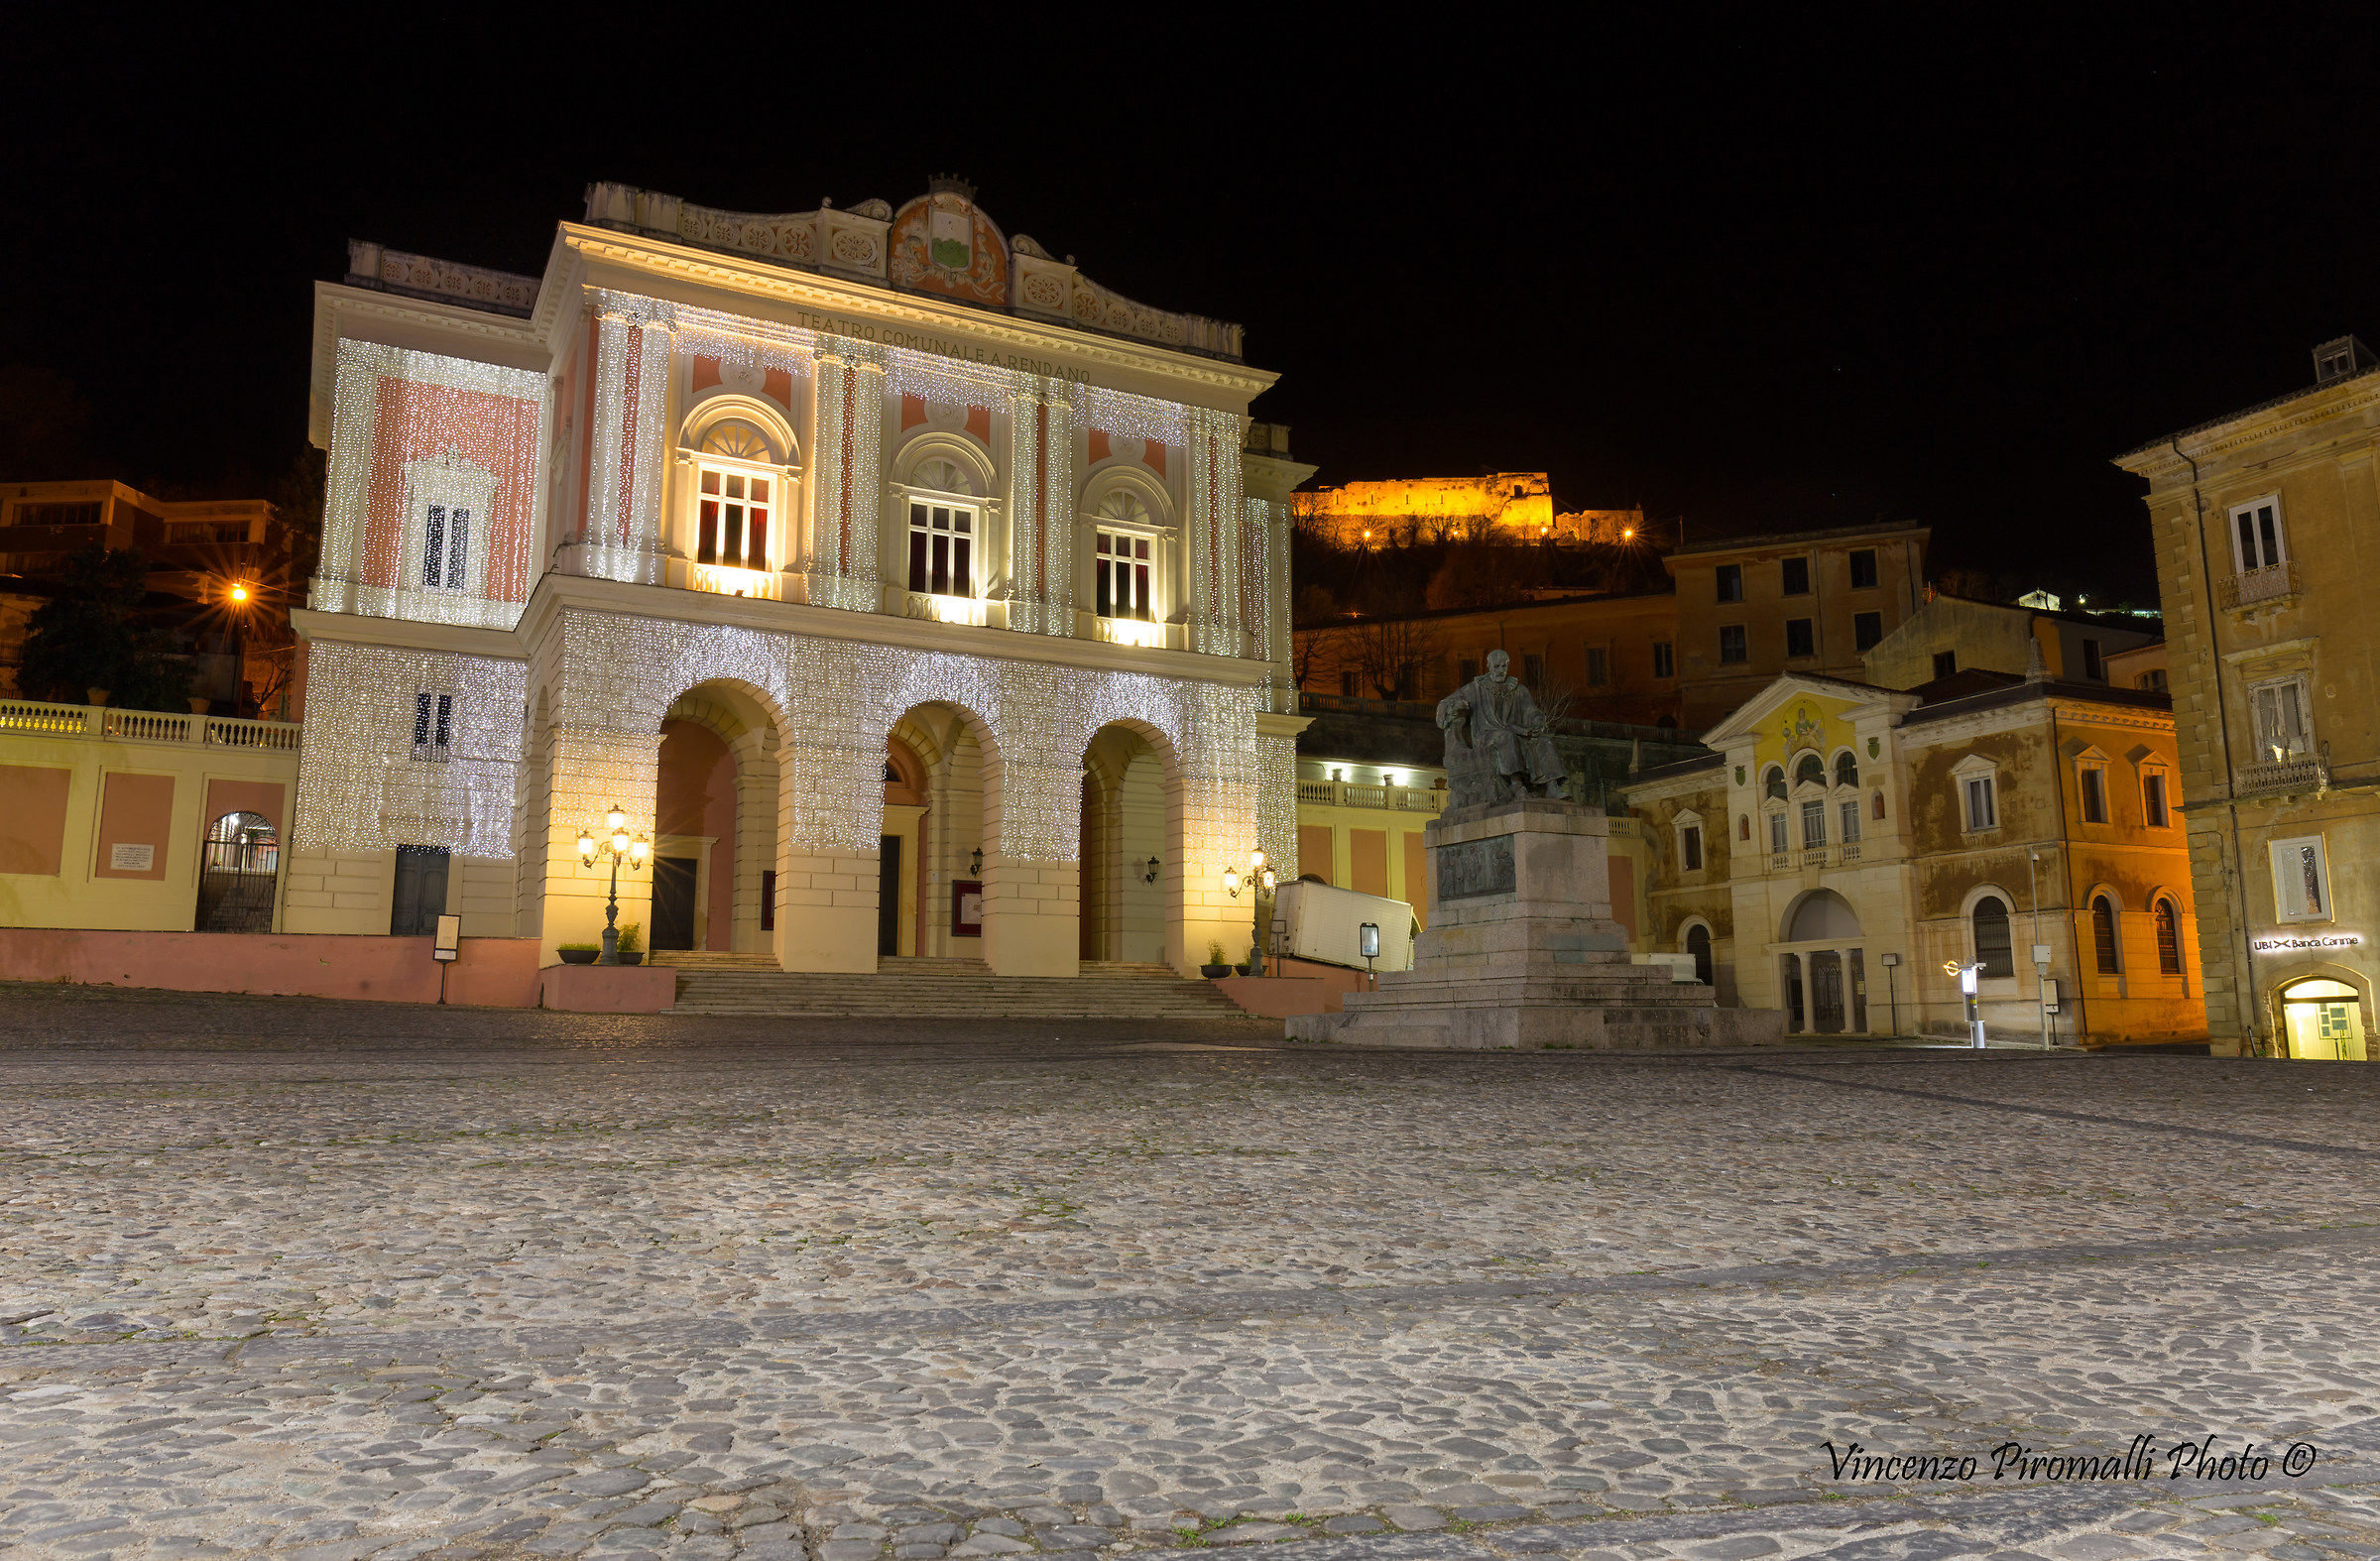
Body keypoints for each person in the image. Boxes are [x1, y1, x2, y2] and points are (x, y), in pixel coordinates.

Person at [1436, 649, 1568, 803]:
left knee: (1545, 740)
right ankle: (1516, 784)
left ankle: (1552, 787)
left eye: (1503, 666)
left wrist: (1537, 721)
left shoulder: (1519, 690)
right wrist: (1456, 707)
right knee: (1506, 737)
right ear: (1488, 666)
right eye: (1496, 666)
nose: (1500, 670)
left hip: (1517, 733)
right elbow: (1445, 704)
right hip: (1486, 736)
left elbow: (1531, 711)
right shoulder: (1475, 688)